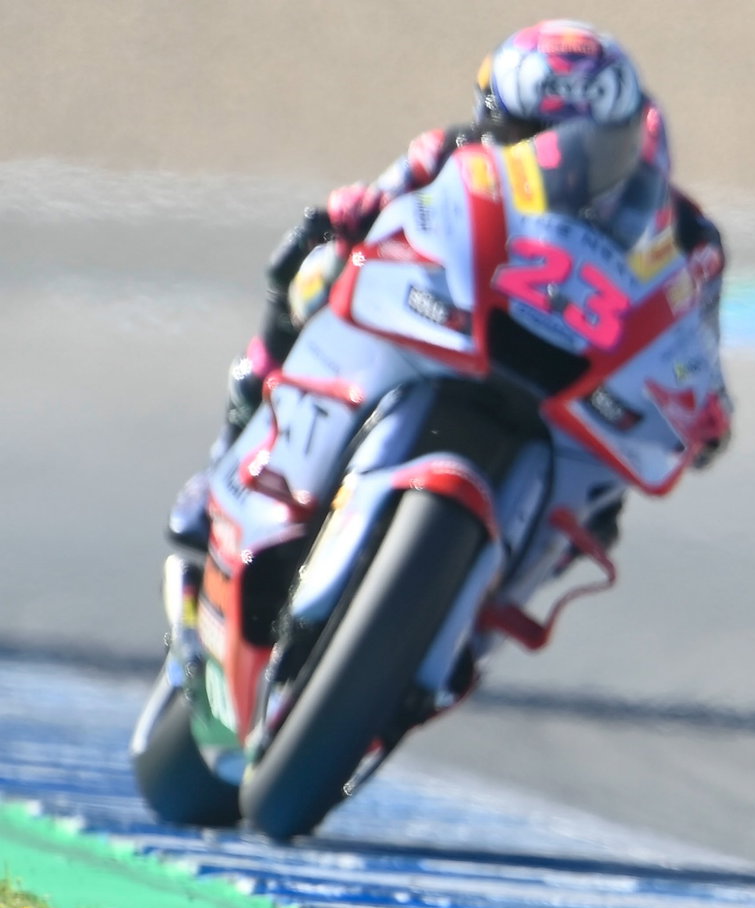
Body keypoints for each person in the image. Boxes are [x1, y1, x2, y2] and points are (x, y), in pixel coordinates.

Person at [168, 19, 726, 552]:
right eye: (529, 135)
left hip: (584, 378)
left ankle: (491, 602)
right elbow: (377, 206)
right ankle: (230, 458)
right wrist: (346, 223)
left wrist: (705, 408)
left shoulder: (689, 237)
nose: (564, 164)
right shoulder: (449, 152)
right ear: (496, 124)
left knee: (603, 512)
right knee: (309, 270)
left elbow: (698, 349)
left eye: (590, 148)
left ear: (629, 141)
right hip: (461, 322)